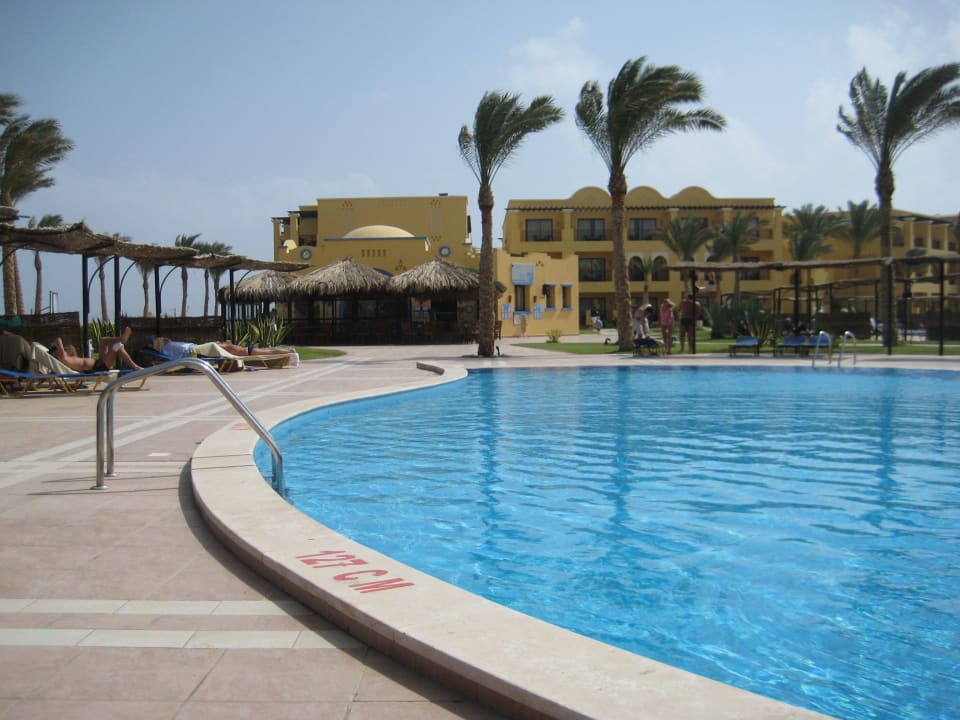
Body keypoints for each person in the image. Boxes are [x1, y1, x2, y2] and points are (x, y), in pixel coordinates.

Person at [50, 326, 143, 372]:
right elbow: (58, 340)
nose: (65, 350)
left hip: (99, 362)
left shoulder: (68, 358)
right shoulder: (63, 358)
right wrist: (53, 346)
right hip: (100, 367)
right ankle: (135, 367)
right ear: (56, 353)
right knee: (117, 346)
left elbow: (71, 347)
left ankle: (121, 339)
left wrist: (67, 349)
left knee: (103, 340)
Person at [150, 337, 295, 359]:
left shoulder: (169, 345)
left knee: (268, 351)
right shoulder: (167, 348)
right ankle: (288, 351)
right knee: (233, 348)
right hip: (195, 351)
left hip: (196, 349)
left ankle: (288, 351)